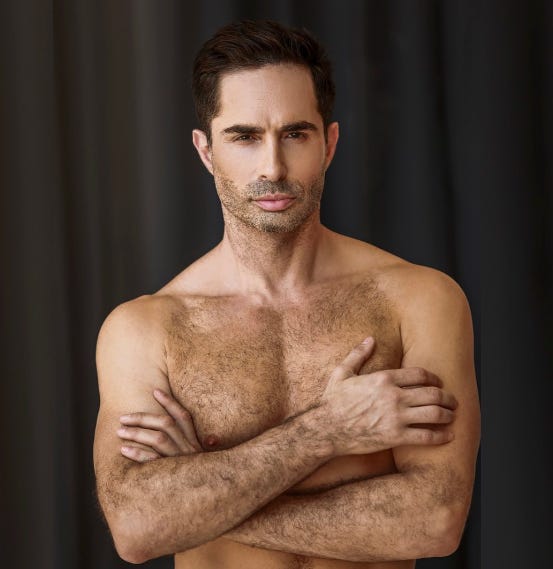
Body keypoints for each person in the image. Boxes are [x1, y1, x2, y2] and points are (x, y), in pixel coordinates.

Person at [93, 19, 480, 568]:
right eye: (244, 137)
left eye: (295, 134)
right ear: (206, 151)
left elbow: (434, 520)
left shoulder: (417, 300)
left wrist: (202, 501)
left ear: (329, 143)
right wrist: (328, 430)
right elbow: (136, 529)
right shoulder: (146, 331)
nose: (272, 167)